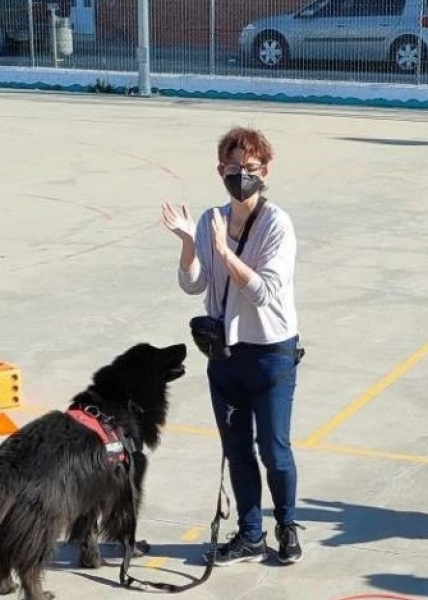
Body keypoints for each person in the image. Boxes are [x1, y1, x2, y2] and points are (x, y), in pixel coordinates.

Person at [161, 126, 304, 566]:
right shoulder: (210, 220)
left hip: (270, 352)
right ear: (220, 169)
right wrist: (190, 244)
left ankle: (286, 522)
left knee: (274, 449)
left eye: (251, 168)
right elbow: (194, 283)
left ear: (266, 170)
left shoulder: (278, 224)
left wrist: (224, 252)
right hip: (225, 355)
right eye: (233, 167)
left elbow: (264, 291)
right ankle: (250, 533)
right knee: (237, 449)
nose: (241, 175)